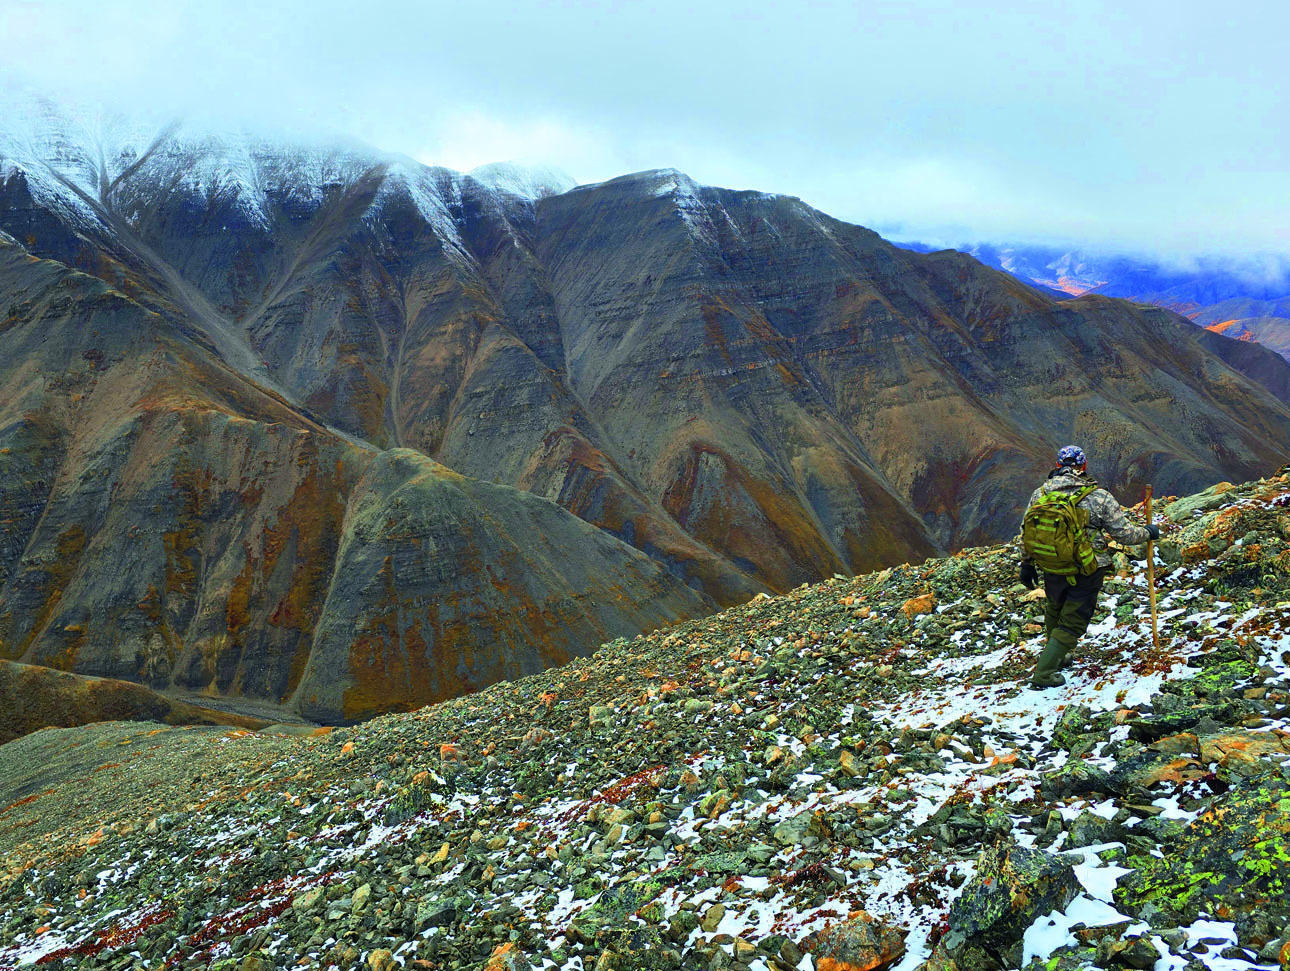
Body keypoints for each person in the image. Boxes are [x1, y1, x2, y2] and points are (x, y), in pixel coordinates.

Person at [1018, 445, 1159, 688]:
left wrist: (1026, 563)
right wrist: (1148, 532)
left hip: (1050, 564)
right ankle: (1044, 672)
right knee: (1073, 621)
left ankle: (1059, 655)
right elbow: (1124, 534)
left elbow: (1027, 531)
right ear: (1083, 466)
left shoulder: (1040, 493)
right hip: (1087, 568)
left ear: (1058, 465)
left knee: (1055, 608)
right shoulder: (1098, 496)